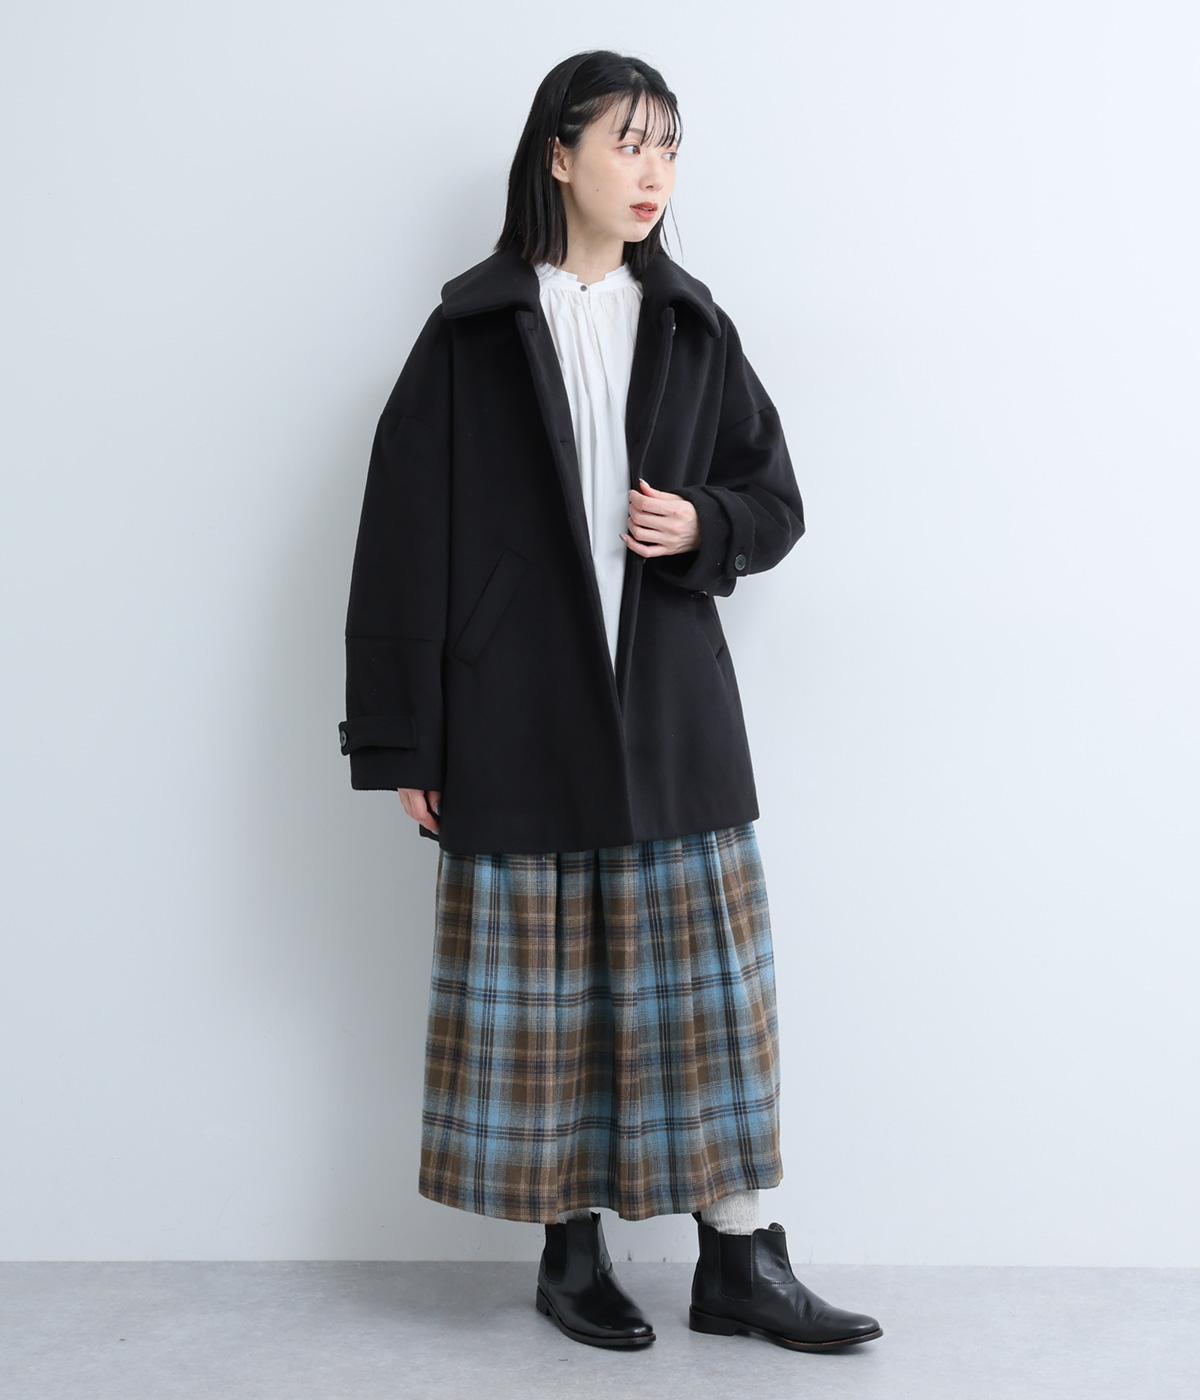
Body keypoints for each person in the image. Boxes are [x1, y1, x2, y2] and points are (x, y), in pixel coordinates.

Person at [338, 50, 882, 1354]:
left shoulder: (692, 323)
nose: (654, 172)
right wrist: (408, 740)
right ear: (559, 155)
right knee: (548, 1010)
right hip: (514, 718)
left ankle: (740, 1261)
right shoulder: (470, 331)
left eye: (669, 147)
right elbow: (402, 543)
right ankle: (569, 1259)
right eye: (629, 142)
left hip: (671, 722)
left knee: (712, 1006)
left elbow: (776, 502)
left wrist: (703, 523)